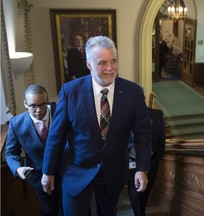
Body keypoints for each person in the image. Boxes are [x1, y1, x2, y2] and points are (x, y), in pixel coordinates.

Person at [41, 35, 152, 216]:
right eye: (102, 63)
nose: (110, 68)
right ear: (89, 65)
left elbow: (143, 133)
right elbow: (56, 135)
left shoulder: (133, 92)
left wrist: (142, 168)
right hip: (77, 169)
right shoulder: (71, 91)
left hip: (113, 171)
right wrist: (48, 171)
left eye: (113, 61)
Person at [5, 84, 62, 216]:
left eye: (43, 104)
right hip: (39, 177)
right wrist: (18, 169)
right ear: (25, 104)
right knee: (48, 211)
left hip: (66, 172)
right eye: (33, 106)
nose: (39, 110)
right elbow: (11, 153)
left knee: (73, 210)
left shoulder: (61, 112)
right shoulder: (16, 124)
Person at [127, 108, 166, 216]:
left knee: (144, 195)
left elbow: (161, 139)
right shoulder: (122, 113)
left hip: (151, 163)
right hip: (131, 162)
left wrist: (156, 160)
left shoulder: (157, 115)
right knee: (136, 196)